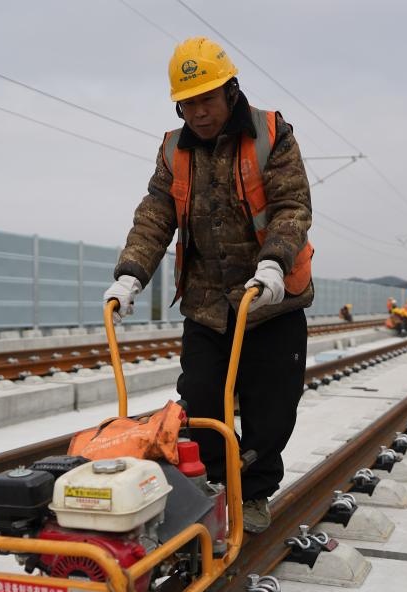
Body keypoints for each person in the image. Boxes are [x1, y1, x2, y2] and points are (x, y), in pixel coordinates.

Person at [103, 37, 313, 534]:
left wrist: (274, 264)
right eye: (187, 103)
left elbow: (291, 206)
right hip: (206, 304)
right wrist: (131, 273)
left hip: (270, 301)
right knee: (200, 400)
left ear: (230, 91)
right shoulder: (174, 150)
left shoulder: (271, 134)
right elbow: (155, 214)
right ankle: (219, 480)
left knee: (270, 407)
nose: (198, 112)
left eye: (207, 99)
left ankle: (255, 492)